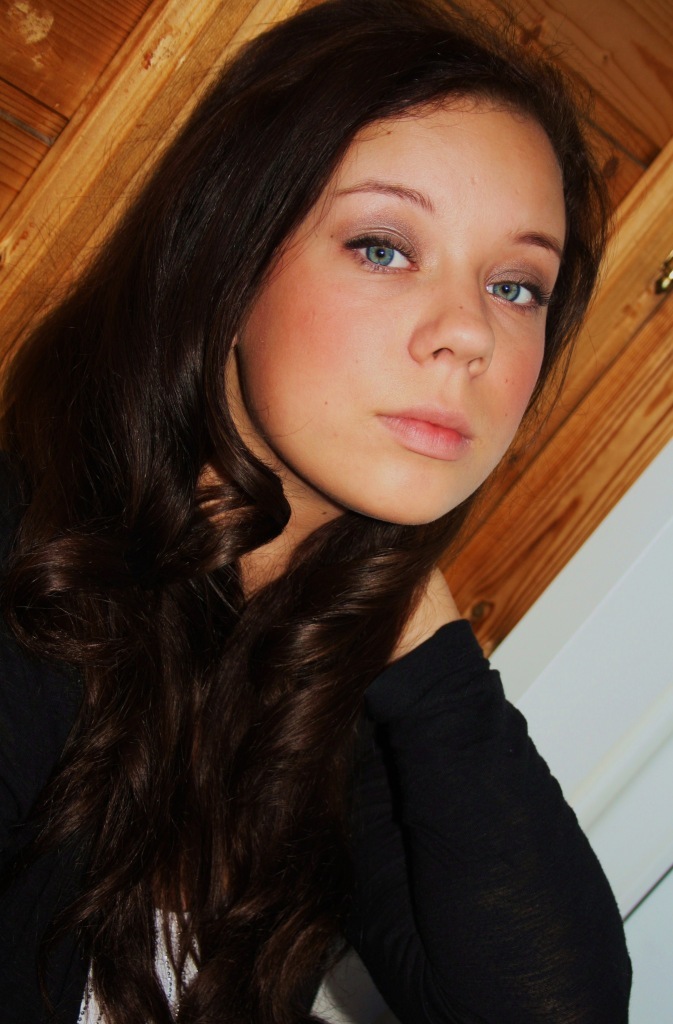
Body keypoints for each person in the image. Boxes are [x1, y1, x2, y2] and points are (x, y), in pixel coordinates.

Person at [0, 0, 631, 1021]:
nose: (470, 333)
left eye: (516, 286)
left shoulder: (327, 674)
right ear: (229, 257)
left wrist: (413, 616)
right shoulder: (30, 575)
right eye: (383, 247)